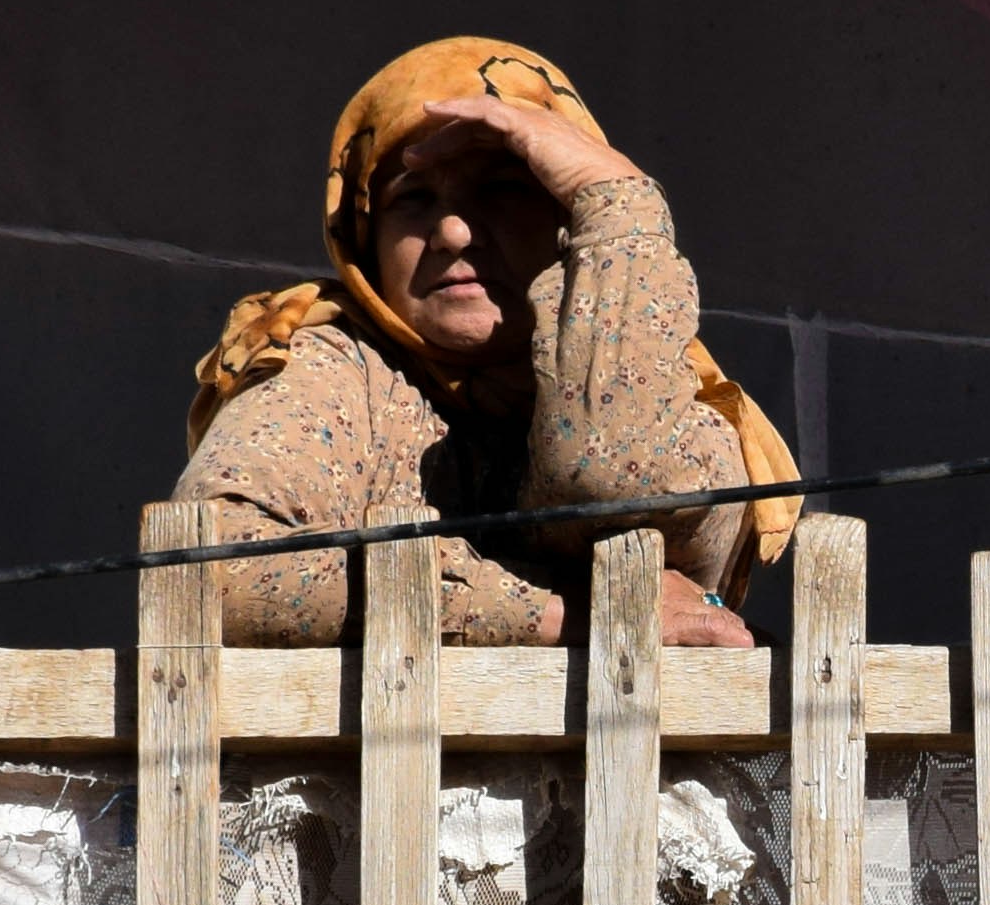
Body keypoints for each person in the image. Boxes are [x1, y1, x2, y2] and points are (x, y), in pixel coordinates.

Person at [175, 37, 795, 644]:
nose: (451, 231)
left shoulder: (677, 401)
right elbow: (208, 570)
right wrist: (561, 614)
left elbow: (607, 477)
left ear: (566, 218)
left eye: (502, 190)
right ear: (366, 239)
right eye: (411, 198)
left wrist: (618, 206)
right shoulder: (335, 365)